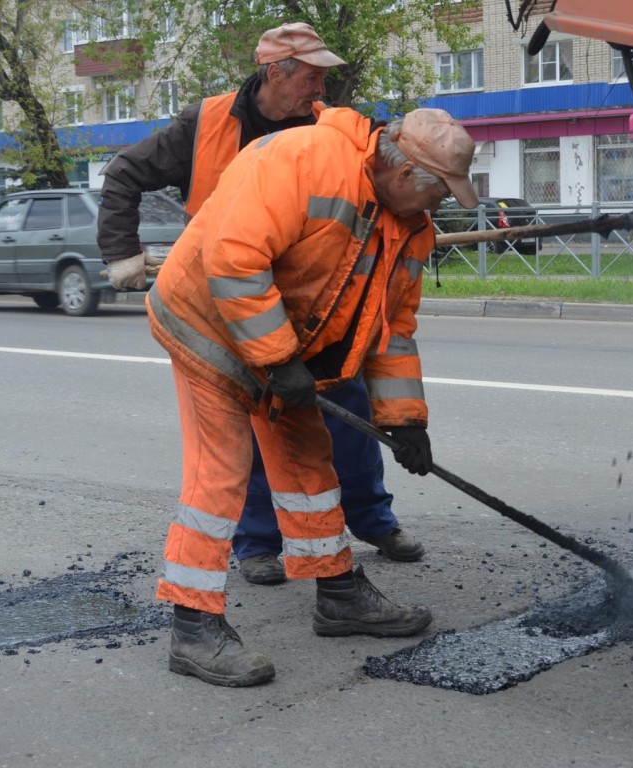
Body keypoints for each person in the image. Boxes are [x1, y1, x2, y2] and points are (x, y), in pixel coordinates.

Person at [147, 106, 478, 686]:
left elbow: (391, 327)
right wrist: (277, 359)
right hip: (209, 327)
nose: (439, 207)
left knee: (308, 460)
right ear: (405, 174)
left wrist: (405, 421)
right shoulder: (301, 160)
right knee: (219, 473)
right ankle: (193, 627)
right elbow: (234, 261)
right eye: (438, 192)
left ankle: (338, 593)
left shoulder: (409, 227)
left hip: (281, 346)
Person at [96, 23, 426, 591]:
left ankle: (370, 522)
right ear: (277, 71)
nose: (321, 89)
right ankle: (257, 546)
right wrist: (123, 252)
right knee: (246, 433)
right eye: (313, 76)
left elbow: (384, 190)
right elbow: (125, 173)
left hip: (310, 305)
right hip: (229, 298)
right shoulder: (205, 124)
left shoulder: (331, 131)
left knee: (343, 413)